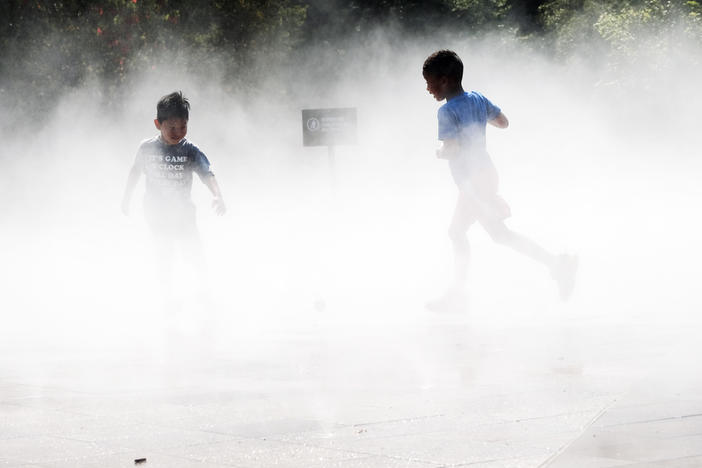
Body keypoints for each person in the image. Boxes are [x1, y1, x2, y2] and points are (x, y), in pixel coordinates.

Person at [422, 50, 577, 311]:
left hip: (472, 180)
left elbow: (451, 149)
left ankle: (458, 294)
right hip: (486, 173)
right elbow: (503, 122)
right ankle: (556, 264)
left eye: (430, 82)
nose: (428, 89)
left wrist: (440, 152)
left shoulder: (446, 111)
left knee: (460, 232)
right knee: (497, 235)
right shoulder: (477, 99)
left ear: (445, 80)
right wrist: (477, 120)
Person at [121, 91, 226, 305]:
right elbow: (135, 171)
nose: (178, 132)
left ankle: (203, 294)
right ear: (158, 124)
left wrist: (217, 195)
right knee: (164, 251)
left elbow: (208, 174)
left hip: (183, 212)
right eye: (172, 127)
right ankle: (166, 297)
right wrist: (126, 197)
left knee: (194, 252)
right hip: (156, 211)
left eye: (183, 126)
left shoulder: (190, 151)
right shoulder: (147, 148)